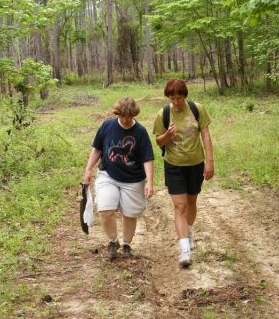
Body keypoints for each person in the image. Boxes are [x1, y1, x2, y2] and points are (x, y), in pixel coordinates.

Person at [83, 97, 154, 260]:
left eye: (128, 116)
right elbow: (97, 150)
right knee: (105, 209)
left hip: (134, 179)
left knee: (130, 214)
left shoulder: (140, 132)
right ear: (117, 113)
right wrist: (88, 169)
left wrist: (149, 182)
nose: (125, 120)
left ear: (134, 114)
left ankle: (127, 244)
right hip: (108, 175)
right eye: (122, 116)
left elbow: (147, 159)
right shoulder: (107, 126)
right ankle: (113, 241)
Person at [153, 79, 214, 267]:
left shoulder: (197, 109)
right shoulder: (163, 114)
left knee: (191, 202)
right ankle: (184, 249)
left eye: (179, 98)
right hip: (174, 165)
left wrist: (209, 162)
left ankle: (188, 231)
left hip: (195, 164)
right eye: (172, 99)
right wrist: (167, 136)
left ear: (184, 96)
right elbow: (159, 142)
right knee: (180, 206)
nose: (176, 102)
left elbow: (205, 135)